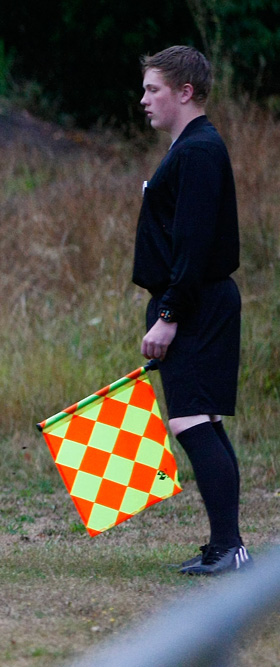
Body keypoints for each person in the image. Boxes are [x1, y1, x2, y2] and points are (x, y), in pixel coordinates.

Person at [133, 46, 248, 575]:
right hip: (195, 301)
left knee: (189, 420)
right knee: (200, 419)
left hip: (197, 304)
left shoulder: (199, 151)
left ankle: (229, 547)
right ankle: (228, 545)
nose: (144, 99)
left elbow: (194, 242)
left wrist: (170, 314)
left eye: (153, 89)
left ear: (185, 92)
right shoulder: (189, 148)